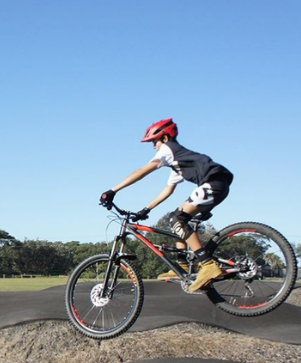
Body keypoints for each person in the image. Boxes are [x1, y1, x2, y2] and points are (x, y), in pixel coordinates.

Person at [100, 118, 234, 292]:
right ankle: (183, 266)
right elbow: (168, 190)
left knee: (177, 219)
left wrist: (112, 190)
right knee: (178, 220)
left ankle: (207, 264)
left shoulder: (167, 149)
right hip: (219, 184)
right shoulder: (177, 161)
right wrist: (146, 209)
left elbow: (141, 172)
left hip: (213, 183)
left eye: (154, 141)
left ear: (164, 138)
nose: (153, 146)